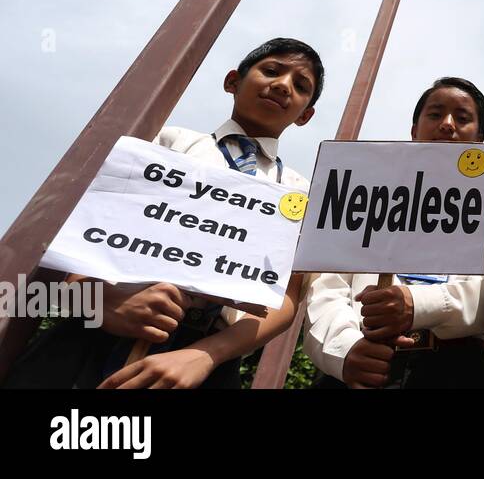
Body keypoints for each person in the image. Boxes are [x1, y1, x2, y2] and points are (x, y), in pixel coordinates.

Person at [5, 38, 323, 389]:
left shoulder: (299, 193)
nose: (282, 85)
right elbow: (88, 233)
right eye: (272, 70)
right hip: (94, 337)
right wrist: (103, 303)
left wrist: (206, 355)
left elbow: (287, 296)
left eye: (300, 85)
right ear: (232, 81)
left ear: (305, 115)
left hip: (206, 362)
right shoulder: (164, 143)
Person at [304, 77, 484, 389]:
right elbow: (328, 287)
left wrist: (417, 304)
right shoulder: (363, 192)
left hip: (458, 370)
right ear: (413, 130)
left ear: (480, 139)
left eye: (462, 118)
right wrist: (345, 349)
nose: (447, 125)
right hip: (360, 363)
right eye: (435, 115)